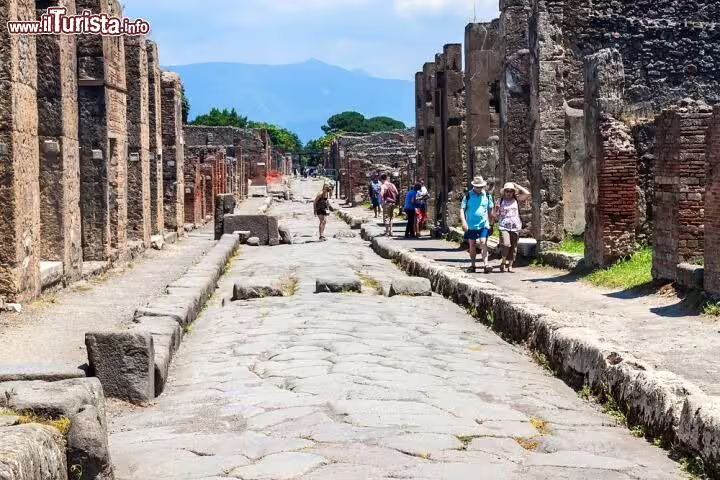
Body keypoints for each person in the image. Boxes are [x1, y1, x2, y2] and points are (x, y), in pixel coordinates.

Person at [494, 182, 530, 273]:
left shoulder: (516, 199)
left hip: (515, 226)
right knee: (506, 244)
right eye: (507, 191)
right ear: (504, 192)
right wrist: (497, 210)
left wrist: (516, 185)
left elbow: (527, 193)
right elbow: (495, 215)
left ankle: (510, 265)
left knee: (513, 246)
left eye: (511, 191)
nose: (509, 193)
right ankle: (503, 261)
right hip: (503, 226)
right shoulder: (500, 201)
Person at [460, 176, 494, 273]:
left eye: (481, 187)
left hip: (484, 224)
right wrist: (463, 221)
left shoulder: (487, 195)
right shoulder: (468, 196)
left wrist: (491, 222)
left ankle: (486, 264)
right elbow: (462, 209)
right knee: (472, 244)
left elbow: (490, 209)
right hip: (471, 225)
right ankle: (473, 265)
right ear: (474, 186)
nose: (480, 189)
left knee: (483, 242)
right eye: (478, 187)